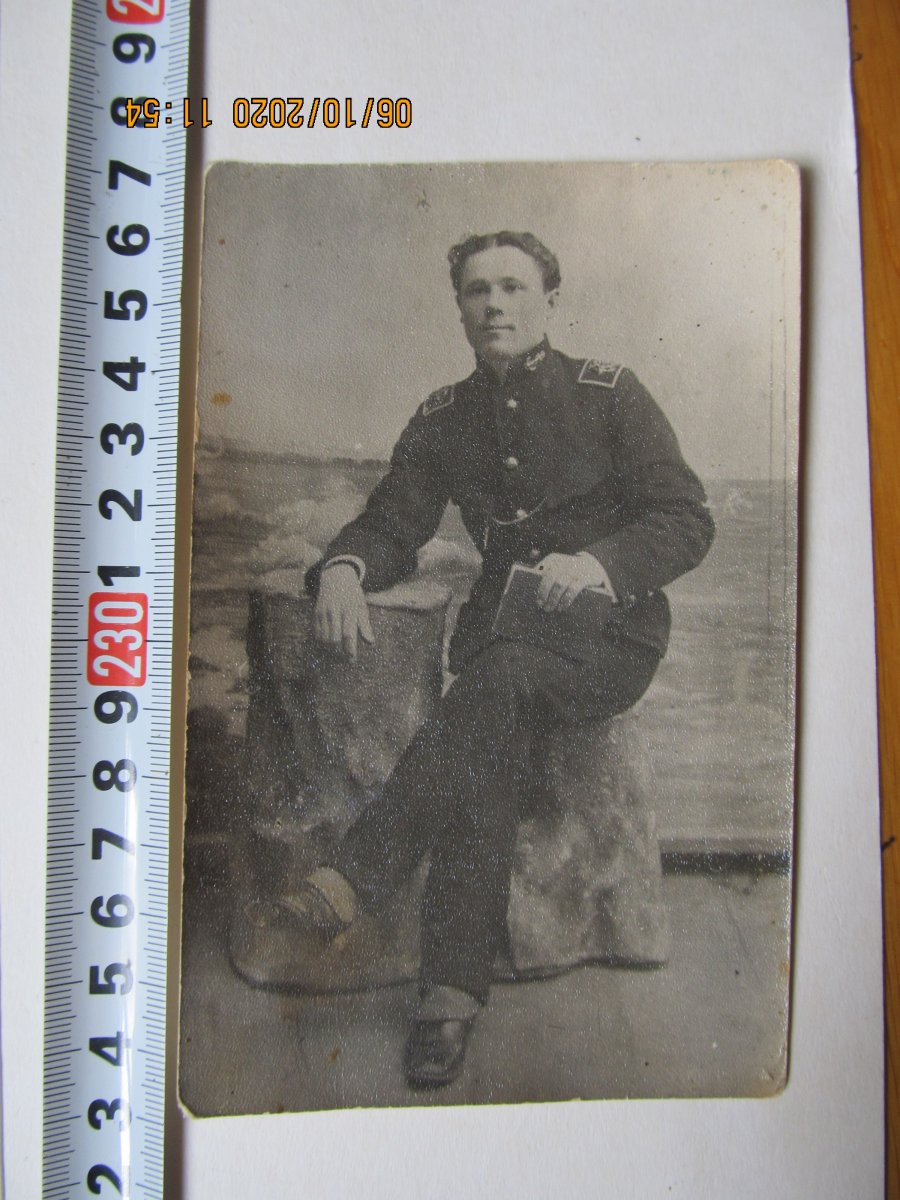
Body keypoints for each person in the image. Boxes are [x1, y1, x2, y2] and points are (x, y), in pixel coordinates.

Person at [282, 230, 715, 1089]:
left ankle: (356, 876)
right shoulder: (445, 416)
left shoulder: (611, 393)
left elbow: (685, 519)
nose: (495, 305)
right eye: (478, 290)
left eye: (514, 287)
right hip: (503, 647)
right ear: (460, 309)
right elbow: (395, 519)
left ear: (550, 300)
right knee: (488, 731)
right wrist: (344, 567)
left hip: (611, 638)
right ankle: (448, 998)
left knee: (496, 686)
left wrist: (601, 564)